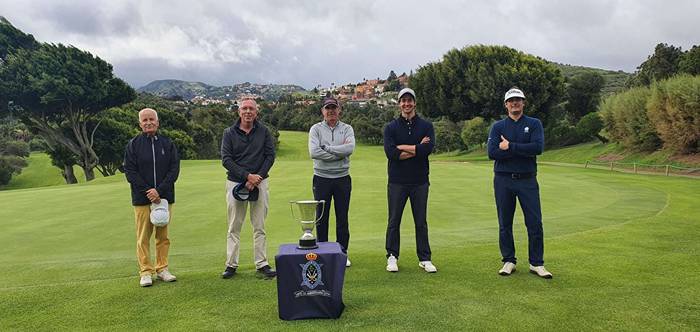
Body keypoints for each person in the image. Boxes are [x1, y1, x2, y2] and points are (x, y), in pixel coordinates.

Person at [487, 87, 553, 279]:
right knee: (504, 222)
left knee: (534, 223)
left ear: (523, 102)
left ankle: (536, 263)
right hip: (503, 180)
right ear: (506, 104)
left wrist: (509, 146)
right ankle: (508, 260)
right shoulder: (498, 127)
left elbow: (537, 148)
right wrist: (521, 150)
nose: (515, 103)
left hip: (527, 180)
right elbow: (492, 153)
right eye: (511, 100)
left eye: (518, 100)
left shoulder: (534, 124)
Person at [220, 98, 277, 279]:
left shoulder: (264, 131)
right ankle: (231, 265)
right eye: (244, 108)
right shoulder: (229, 133)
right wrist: (247, 177)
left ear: (256, 112)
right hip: (236, 183)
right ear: (239, 111)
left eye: (251, 109)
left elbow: (270, 156)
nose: (248, 112)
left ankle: (261, 264)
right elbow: (226, 159)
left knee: (259, 225)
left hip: (260, 182)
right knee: (234, 226)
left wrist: (257, 177)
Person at [124, 108, 180, 287]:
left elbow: (174, 170)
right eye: (145, 120)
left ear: (158, 122)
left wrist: (159, 190)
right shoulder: (133, 145)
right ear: (140, 124)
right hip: (142, 198)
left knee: (163, 236)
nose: (148, 123)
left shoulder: (167, 143)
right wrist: (149, 191)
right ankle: (145, 271)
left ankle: (162, 268)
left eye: (151, 119)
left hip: (163, 198)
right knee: (143, 237)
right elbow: (130, 172)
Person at [382, 88, 437, 273]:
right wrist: (416, 148)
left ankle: (424, 258)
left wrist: (404, 148)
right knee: (394, 220)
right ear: (399, 104)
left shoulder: (426, 126)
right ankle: (392, 256)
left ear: (414, 103)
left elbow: (426, 150)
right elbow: (391, 153)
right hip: (397, 181)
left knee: (420, 221)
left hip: (420, 181)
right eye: (403, 101)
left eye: (410, 100)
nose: (407, 104)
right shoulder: (390, 127)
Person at [308, 96, 356, 267]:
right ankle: (323, 252)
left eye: (334, 108)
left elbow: (349, 149)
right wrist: (339, 153)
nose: (331, 111)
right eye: (327, 108)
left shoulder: (347, 129)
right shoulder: (316, 129)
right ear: (322, 111)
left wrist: (327, 148)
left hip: (342, 178)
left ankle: (342, 253)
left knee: (342, 218)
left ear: (339, 110)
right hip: (321, 179)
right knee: (322, 217)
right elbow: (314, 152)